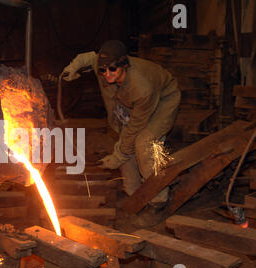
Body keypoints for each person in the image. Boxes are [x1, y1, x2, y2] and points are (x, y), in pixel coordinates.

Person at [62, 40, 181, 227]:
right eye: (103, 70)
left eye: (112, 70)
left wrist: (118, 157)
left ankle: (158, 202)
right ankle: (134, 196)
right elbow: (88, 57)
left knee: (143, 143)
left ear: (124, 65)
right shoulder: (103, 66)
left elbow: (135, 127)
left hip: (164, 101)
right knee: (124, 144)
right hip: (131, 102)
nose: (107, 74)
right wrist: (73, 67)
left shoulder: (142, 88)